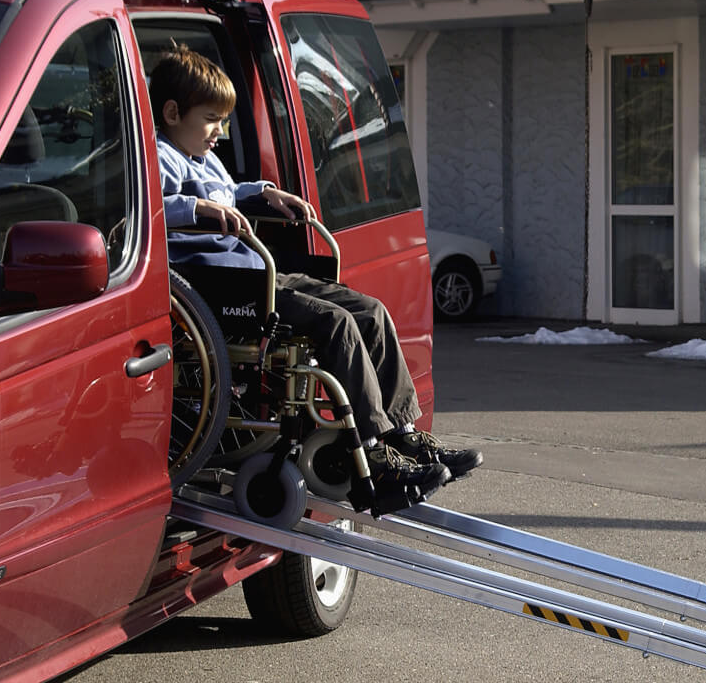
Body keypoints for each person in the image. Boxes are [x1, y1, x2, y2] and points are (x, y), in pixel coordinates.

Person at [150, 44, 480, 498]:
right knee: (336, 324)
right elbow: (145, 210)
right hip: (219, 289)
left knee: (370, 311)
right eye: (211, 119)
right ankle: (372, 459)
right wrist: (195, 207)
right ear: (172, 112)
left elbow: (229, 189)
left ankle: (402, 434)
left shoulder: (202, 158)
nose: (220, 132)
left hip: (254, 276)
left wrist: (265, 193)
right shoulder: (157, 156)